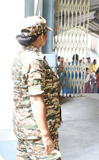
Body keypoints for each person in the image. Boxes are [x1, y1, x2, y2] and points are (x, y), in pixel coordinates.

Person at [13, 16, 61, 159]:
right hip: (36, 132)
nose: (46, 36)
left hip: (23, 126)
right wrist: (45, 135)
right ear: (40, 36)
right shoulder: (34, 61)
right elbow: (35, 100)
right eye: (45, 33)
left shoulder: (21, 55)